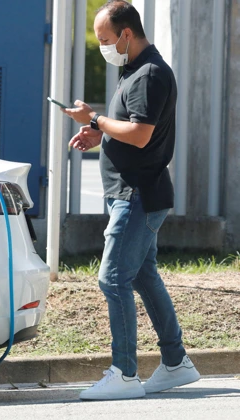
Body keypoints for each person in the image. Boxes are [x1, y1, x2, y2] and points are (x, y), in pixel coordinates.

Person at [61, 0, 200, 400]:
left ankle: (123, 373)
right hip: (135, 193)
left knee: (112, 278)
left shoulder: (150, 74)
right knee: (141, 275)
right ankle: (176, 363)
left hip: (137, 196)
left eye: (105, 39)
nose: (102, 46)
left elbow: (140, 134)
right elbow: (134, 130)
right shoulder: (135, 70)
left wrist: (96, 120)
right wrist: (99, 133)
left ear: (126, 33)